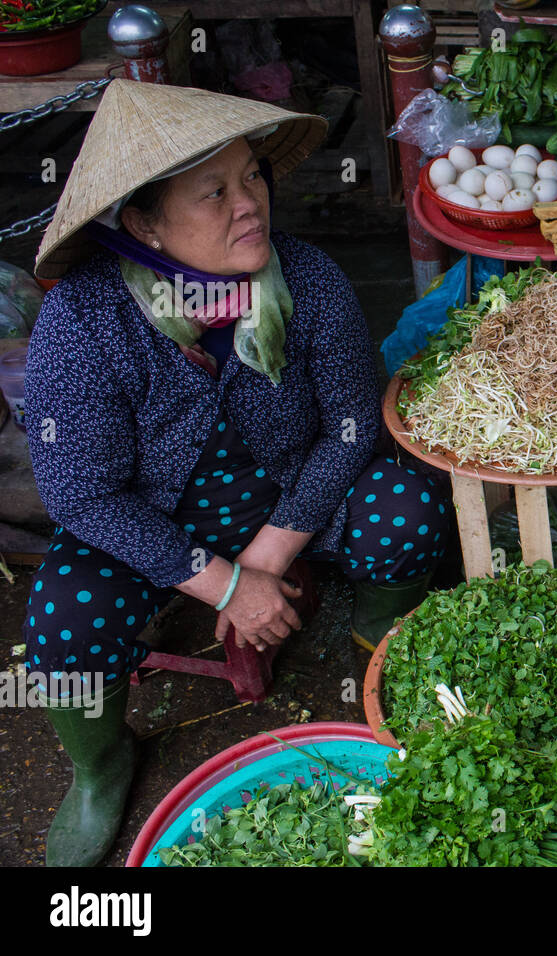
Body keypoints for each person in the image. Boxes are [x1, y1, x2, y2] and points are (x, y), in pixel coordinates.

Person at [24, 79, 451, 866]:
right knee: (63, 623)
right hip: (152, 523)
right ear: (143, 221)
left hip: (293, 499)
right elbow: (80, 492)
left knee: (409, 508)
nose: (248, 202)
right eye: (212, 192)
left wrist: (267, 556)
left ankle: (379, 668)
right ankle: (99, 768)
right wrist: (220, 583)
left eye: (251, 175)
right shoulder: (85, 320)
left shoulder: (308, 279)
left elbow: (352, 424)